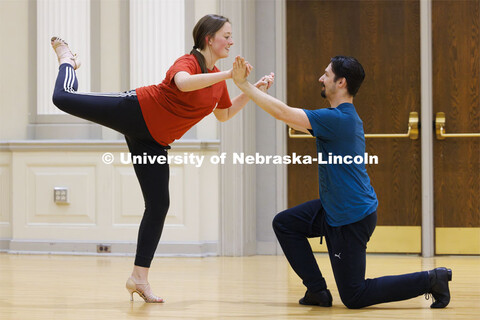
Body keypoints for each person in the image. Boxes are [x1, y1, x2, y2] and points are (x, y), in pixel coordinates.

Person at [50, 14, 274, 303]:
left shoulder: (217, 81)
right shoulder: (188, 62)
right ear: (209, 39)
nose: (232, 41)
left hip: (153, 142)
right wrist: (231, 75)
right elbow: (183, 83)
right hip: (135, 109)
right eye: (226, 36)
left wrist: (255, 91)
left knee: (158, 205)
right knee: (63, 98)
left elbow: (224, 114)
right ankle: (68, 60)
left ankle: (138, 279)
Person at [231, 55, 452, 309]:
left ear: (341, 82)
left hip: (351, 217)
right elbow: (289, 117)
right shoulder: (337, 118)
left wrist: (243, 86)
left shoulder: (338, 119)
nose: (321, 79)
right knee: (285, 223)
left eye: (326, 74)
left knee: (355, 296)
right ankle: (317, 291)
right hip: (334, 207)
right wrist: (256, 92)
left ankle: (432, 279)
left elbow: (283, 113)